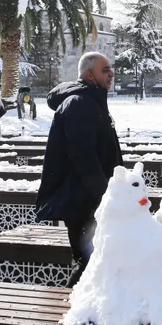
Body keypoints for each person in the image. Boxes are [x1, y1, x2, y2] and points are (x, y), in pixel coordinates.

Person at [36, 52, 124, 287]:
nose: (111, 73)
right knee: (90, 260)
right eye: (105, 70)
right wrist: (105, 195)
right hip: (82, 200)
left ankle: (79, 308)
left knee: (94, 259)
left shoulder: (91, 101)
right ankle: (68, 310)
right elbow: (83, 157)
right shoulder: (80, 104)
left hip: (87, 197)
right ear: (90, 74)